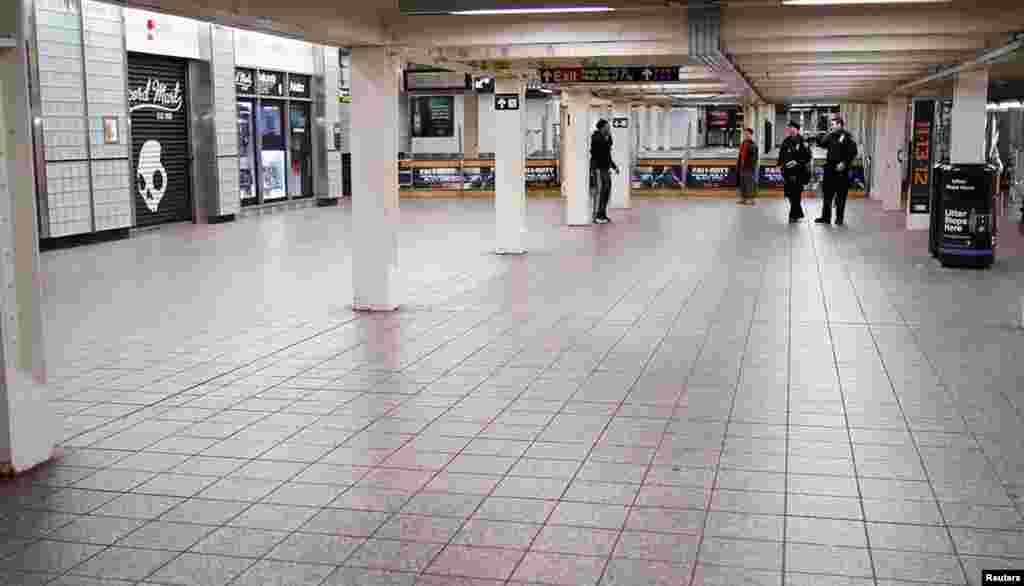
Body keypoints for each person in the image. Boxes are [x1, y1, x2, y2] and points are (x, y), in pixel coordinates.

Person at [816, 116, 858, 225]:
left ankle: (839, 218)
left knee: (840, 196)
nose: (832, 126)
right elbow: (821, 144)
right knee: (827, 195)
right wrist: (826, 134)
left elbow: (853, 152)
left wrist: (844, 163)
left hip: (841, 170)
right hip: (830, 168)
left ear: (840, 124)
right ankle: (825, 218)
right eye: (831, 125)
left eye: (833, 124)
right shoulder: (830, 136)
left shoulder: (848, 137)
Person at [779, 121, 812, 222]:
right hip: (787, 172)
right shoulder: (786, 141)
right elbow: (782, 155)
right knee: (789, 194)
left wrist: (796, 162)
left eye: (792, 128)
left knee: (796, 194)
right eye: (789, 128)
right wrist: (781, 164)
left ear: (797, 129)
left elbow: (808, 157)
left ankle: (793, 216)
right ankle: (798, 212)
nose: (790, 129)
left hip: (798, 172)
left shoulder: (803, 141)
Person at [589, 119, 619, 224]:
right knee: (599, 191)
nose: (609, 128)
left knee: (606, 191)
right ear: (602, 128)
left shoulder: (606, 137)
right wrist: (608, 138)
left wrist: (614, 167)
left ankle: (602, 214)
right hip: (598, 168)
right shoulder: (596, 137)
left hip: (605, 168)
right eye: (607, 127)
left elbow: (607, 154)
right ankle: (596, 216)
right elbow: (601, 149)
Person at [736, 128, 759, 205]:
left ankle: (752, 200)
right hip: (742, 167)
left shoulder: (753, 145)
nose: (745, 135)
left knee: (750, 184)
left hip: (749, 167)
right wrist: (738, 165)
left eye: (747, 134)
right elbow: (740, 155)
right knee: (743, 183)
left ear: (751, 135)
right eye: (745, 134)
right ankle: (743, 198)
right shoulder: (743, 143)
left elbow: (755, 158)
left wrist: (751, 167)